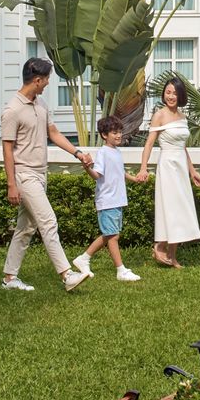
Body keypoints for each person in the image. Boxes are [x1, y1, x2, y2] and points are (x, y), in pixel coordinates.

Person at [0, 57, 91, 292]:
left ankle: (9, 278)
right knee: (48, 221)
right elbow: (7, 150)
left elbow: (54, 133)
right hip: (24, 175)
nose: (48, 83)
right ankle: (67, 274)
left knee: (26, 228)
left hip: (40, 174)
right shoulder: (12, 110)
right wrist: (11, 184)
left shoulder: (40, 104)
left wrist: (78, 153)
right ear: (37, 80)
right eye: (47, 79)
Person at [131, 75, 200, 268]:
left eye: (175, 93)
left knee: (181, 208)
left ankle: (172, 255)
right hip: (167, 166)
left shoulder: (183, 117)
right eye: (168, 92)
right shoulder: (159, 115)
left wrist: (193, 171)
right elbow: (149, 144)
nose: (171, 96)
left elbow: (183, 147)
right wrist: (143, 168)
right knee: (170, 208)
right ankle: (160, 245)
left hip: (181, 167)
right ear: (164, 94)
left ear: (181, 95)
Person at [74, 115, 140, 282]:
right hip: (107, 200)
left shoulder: (116, 152)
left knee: (109, 234)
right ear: (104, 135)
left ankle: (84, 258)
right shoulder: (103, 153)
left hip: (117, 200)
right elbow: (97, 175)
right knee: (113, 236)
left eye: (120, 132)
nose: (119, 135)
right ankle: (121, 270)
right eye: (114, 133)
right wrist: (87, 168)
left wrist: (134, 179)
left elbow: (120, 172)